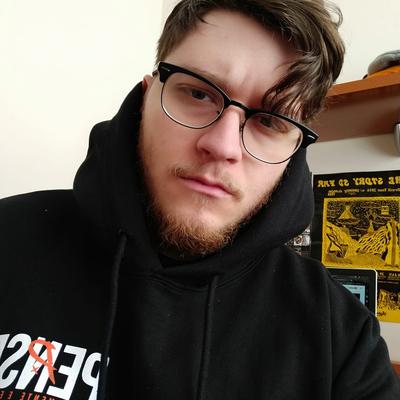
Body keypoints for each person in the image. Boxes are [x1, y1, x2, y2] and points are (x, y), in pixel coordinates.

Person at [1, 0, 399, 399]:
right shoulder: (8, 240)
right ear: (147, 96)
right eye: (198, 93)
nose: (222, 146)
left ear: (294, 151)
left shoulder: (343, 336)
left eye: (270, 120)